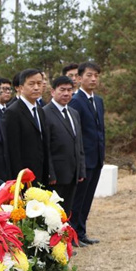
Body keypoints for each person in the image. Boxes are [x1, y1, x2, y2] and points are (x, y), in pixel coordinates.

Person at [68, 62, 105, 245]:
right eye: (89, 75)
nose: (93, 79)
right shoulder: (76, 101)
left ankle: (81, 233)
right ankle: (73, 235)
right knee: (78, 200)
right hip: (84, 159)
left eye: (96, 75)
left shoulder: (98, 100)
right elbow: (76, 134)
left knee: (88, 198)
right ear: (79, 78)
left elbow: (100, 130)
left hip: (97, 157)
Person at [4, 68, 55, 186]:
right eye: (31, 84)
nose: (36, 87)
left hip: (41, 174)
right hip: (24, 177)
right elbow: (13, 150)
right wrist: (19, 180)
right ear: (21, 88)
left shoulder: (40, 110)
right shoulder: (13, 112)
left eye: (39, 83)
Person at [43, 76, 86, 217]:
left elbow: (78, 143)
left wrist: (81, 169)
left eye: (70, 90)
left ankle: (67, 238)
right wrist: (50, 172)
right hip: (56, 175)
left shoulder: (74, 113)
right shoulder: (45, 113)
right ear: (52, 91)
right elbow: (46, 146)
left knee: (67, 211)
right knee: (53, 213)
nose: (66, 93)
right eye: (62, 90)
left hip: (73, 172)